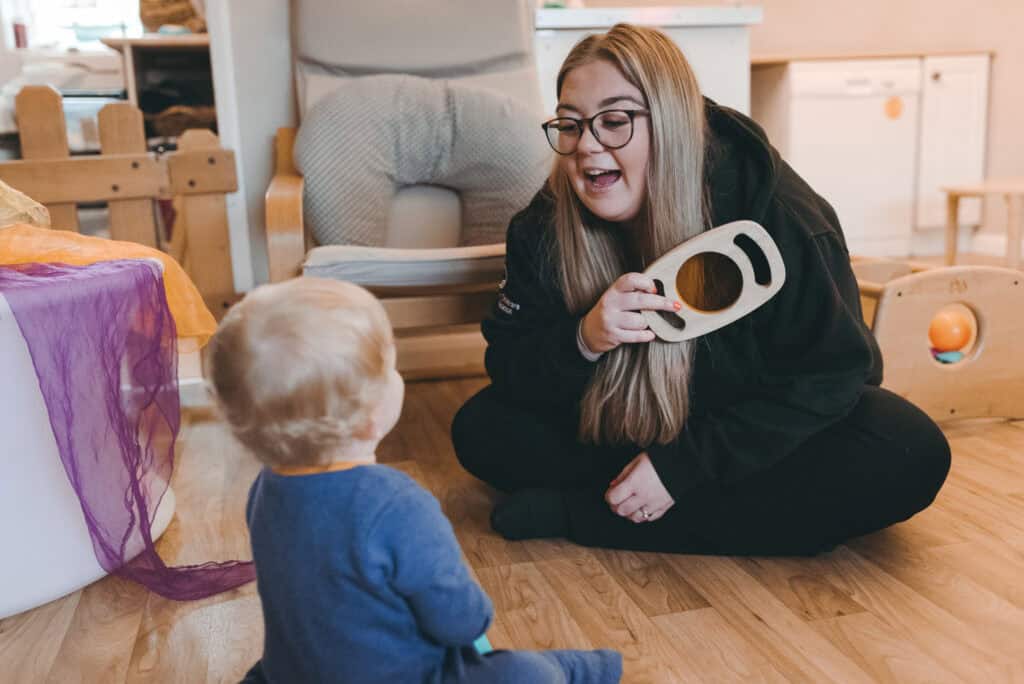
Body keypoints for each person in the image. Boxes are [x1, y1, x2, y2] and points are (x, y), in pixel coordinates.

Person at [451, 24, 951, 557]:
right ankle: (675, 505)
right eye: (570, 125)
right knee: (481, 428)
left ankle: (592, 514)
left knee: (908, 450)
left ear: (671, 123)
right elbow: (509, 364)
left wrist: (683, 467)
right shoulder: (543, 226)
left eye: (615, 121)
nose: (587, 146)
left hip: (741, 428)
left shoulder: (780, 216)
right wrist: (585, 338)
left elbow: (836, 376)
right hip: (625, 421)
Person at [206, 278, 622, 684]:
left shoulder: (265, 490)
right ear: (370, 417)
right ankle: (575, 669)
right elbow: (461, 621)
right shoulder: (394, 504)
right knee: (521, 672)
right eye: (391, 367)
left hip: (297, 672)